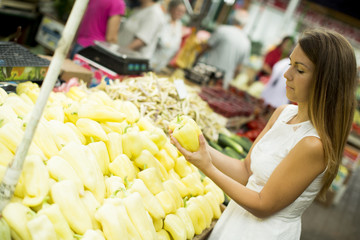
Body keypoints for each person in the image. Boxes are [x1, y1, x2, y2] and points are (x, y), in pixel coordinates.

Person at [170, 28, 357, 239]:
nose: (287, 75)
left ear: (326, 81)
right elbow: (245, 171)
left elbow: (263, 204)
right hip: (234, 221)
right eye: (290, 64)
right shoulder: (283, 113)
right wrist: (198, 144)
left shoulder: (313, 144)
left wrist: (207, 167)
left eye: (300, 70)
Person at [195, 9, 251, 90]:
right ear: (245, 24)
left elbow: (206, 47)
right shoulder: (246, 42)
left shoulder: (222, 30)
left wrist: (195, 59)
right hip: (223, 81)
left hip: (207, 73)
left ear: (233, 19)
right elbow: (239, 68)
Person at [150, 0, 186, 72]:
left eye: (183, 12)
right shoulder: (162, 20)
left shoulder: (179, 25)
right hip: (151, 60)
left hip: (161, 65)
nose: (180, 14)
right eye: (178, 10)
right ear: (171, 9)